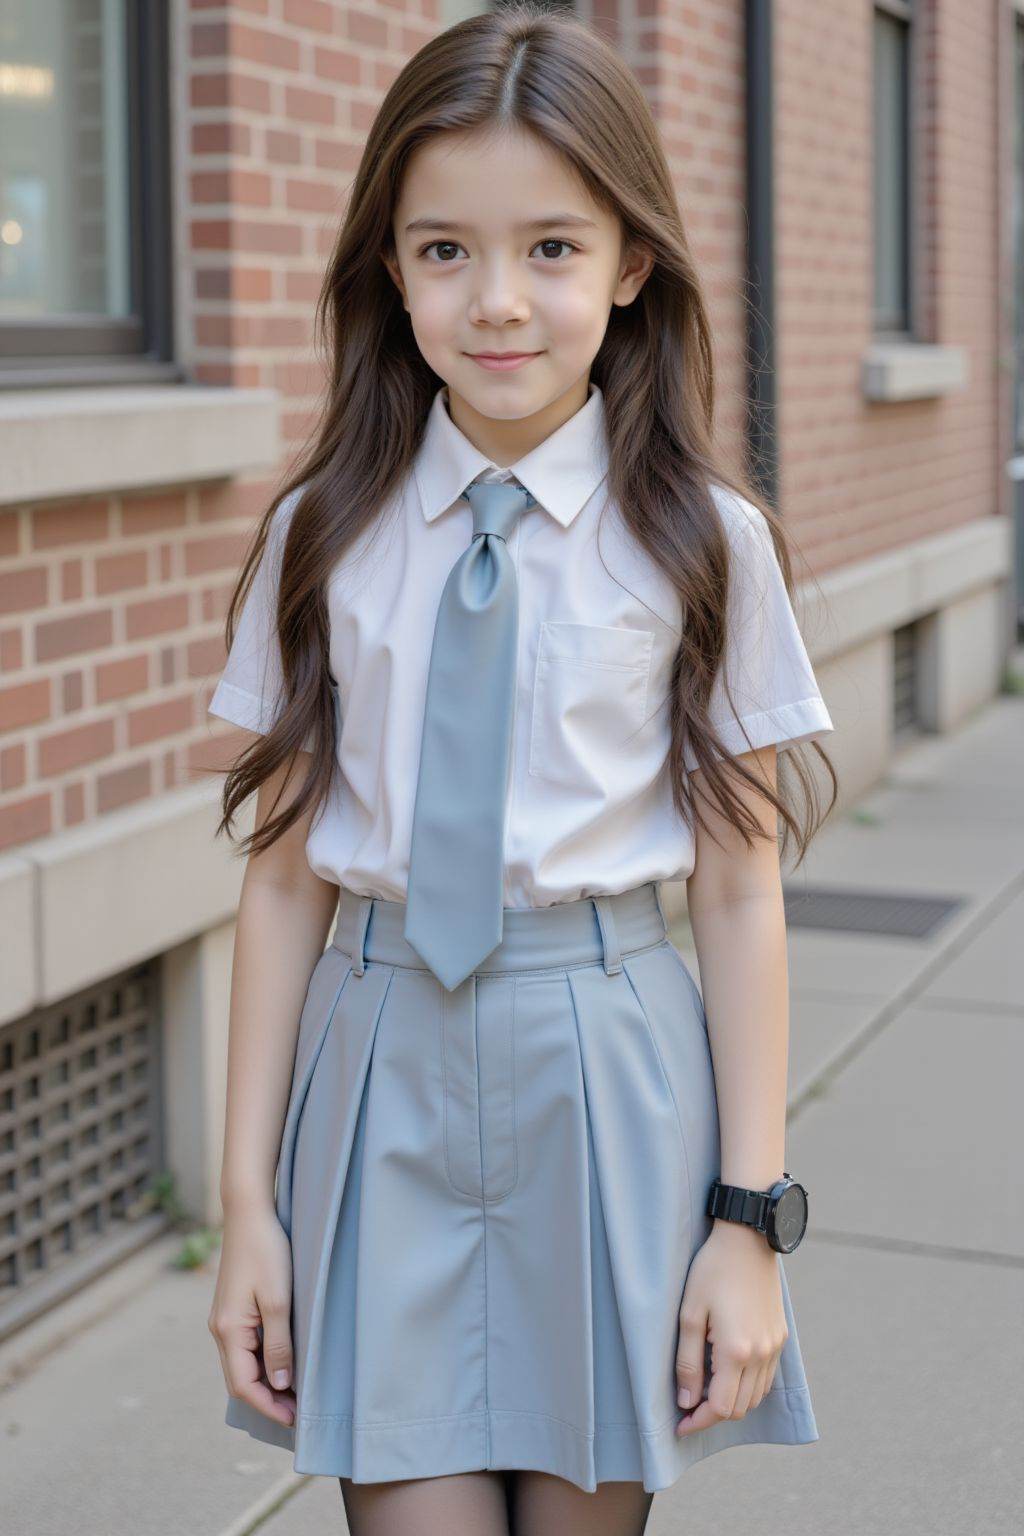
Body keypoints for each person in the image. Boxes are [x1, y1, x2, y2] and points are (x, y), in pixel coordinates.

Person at [205, 6, 838, 1534]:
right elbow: (284, 883)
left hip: (605, 1074)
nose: (498, 301)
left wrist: (747, 1223)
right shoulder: (322, 535)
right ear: (391, 268)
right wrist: (247, 1210)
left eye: (552, 248)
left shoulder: (704, 540)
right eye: (445, 251)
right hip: (378, 1074)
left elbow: (742, 893)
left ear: (631, 265)